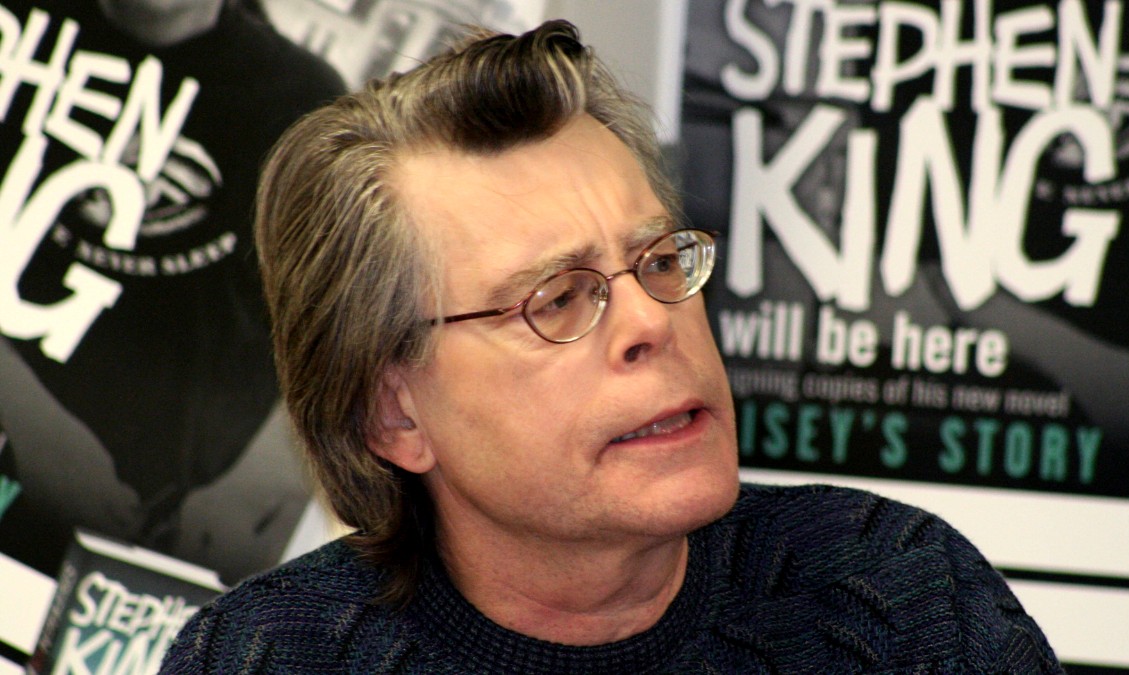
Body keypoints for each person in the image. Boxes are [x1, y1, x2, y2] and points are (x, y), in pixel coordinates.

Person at [162, 19, 1064, 673]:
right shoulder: (263, 657)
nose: (651, 321)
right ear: (393, 410)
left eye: (660, 259)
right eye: (558, 298)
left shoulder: (894, 589)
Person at [0, 0, 344, 581]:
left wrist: (244, 495)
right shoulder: (15, 29)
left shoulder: (299, 97)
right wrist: (32, 423)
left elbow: (327, 333)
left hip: (143, 547)